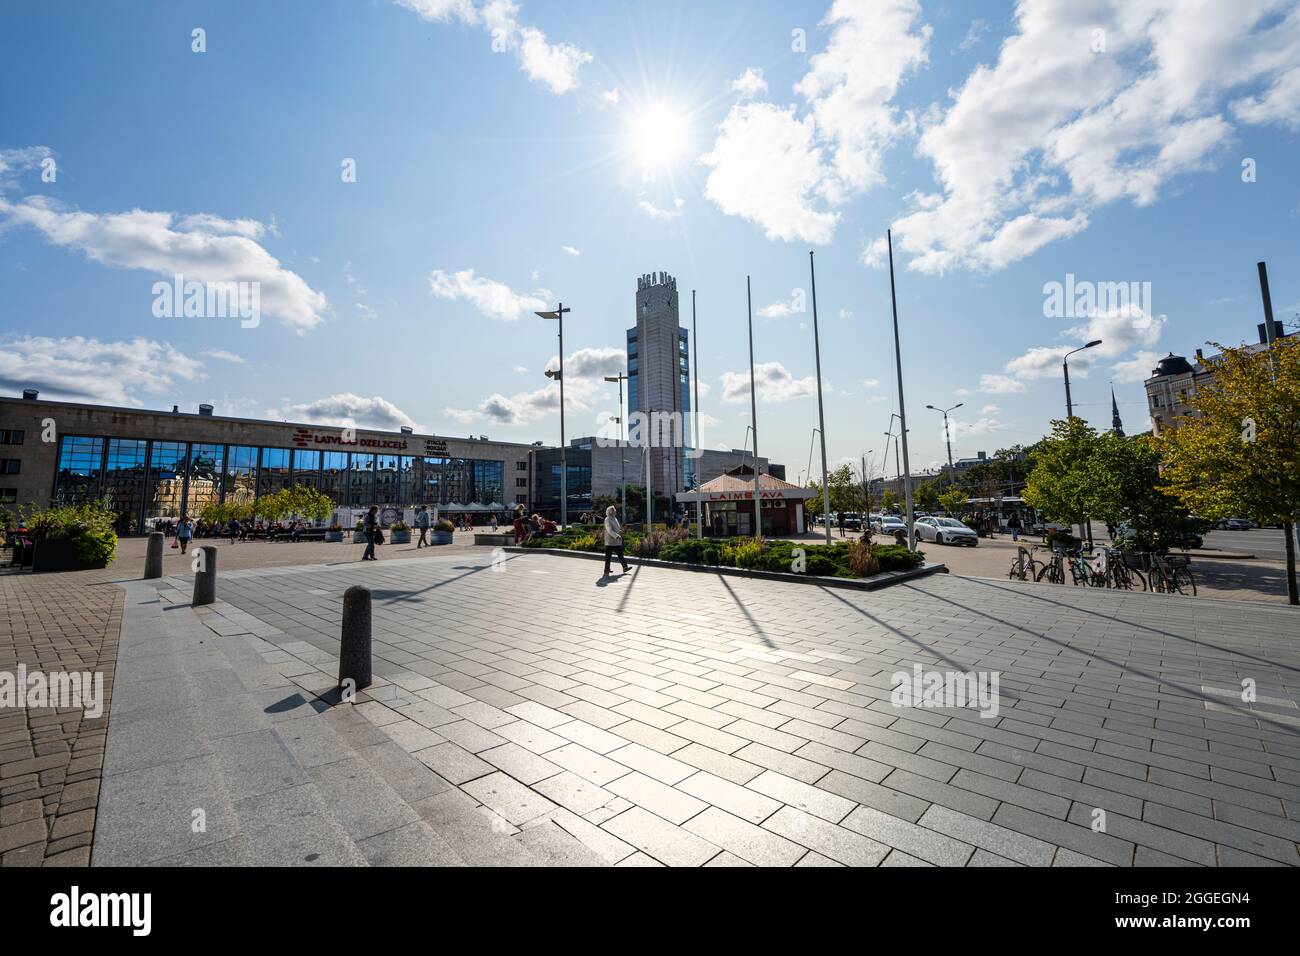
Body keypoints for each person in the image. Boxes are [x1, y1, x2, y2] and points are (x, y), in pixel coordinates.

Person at [603, 505, 631, 577]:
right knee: (608, 557)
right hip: (610, 541)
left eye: (615, 510)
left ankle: (625, 567)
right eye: (613, 510)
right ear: (610, 512)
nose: (615, 511)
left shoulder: (615, 518)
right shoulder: (607, 519)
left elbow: (616, 528)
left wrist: (619, 531)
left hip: (617, 541)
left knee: (620, 554)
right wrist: (616, 536)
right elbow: (609, 530)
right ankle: (606, 569)